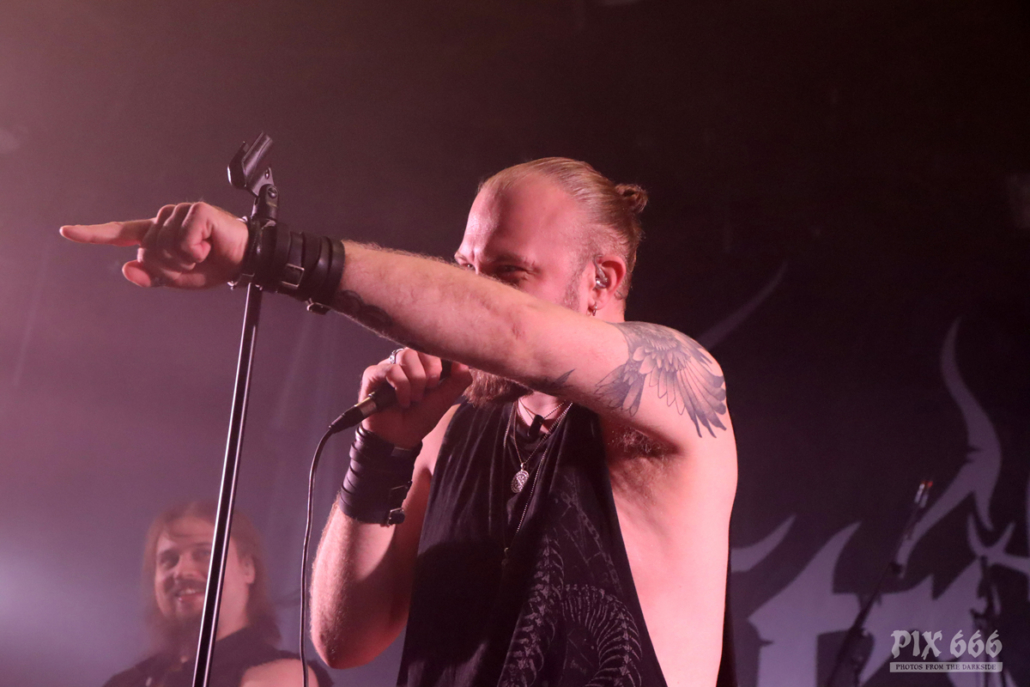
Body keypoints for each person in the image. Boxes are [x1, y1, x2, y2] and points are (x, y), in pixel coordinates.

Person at [64, 157, 738, 687]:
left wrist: (265, 253)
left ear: (602, 280)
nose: (473, 293)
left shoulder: (677, 385)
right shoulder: (451, 427)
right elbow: (343, 640)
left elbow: (518, 332)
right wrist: (381, 453)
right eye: (466, 269)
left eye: (507, 273)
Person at [103, 501, 331, 687]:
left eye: (204, 554)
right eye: (169, 560)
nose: (181, 571)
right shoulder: (126, 682)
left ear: (248, 568)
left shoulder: (282, 676)